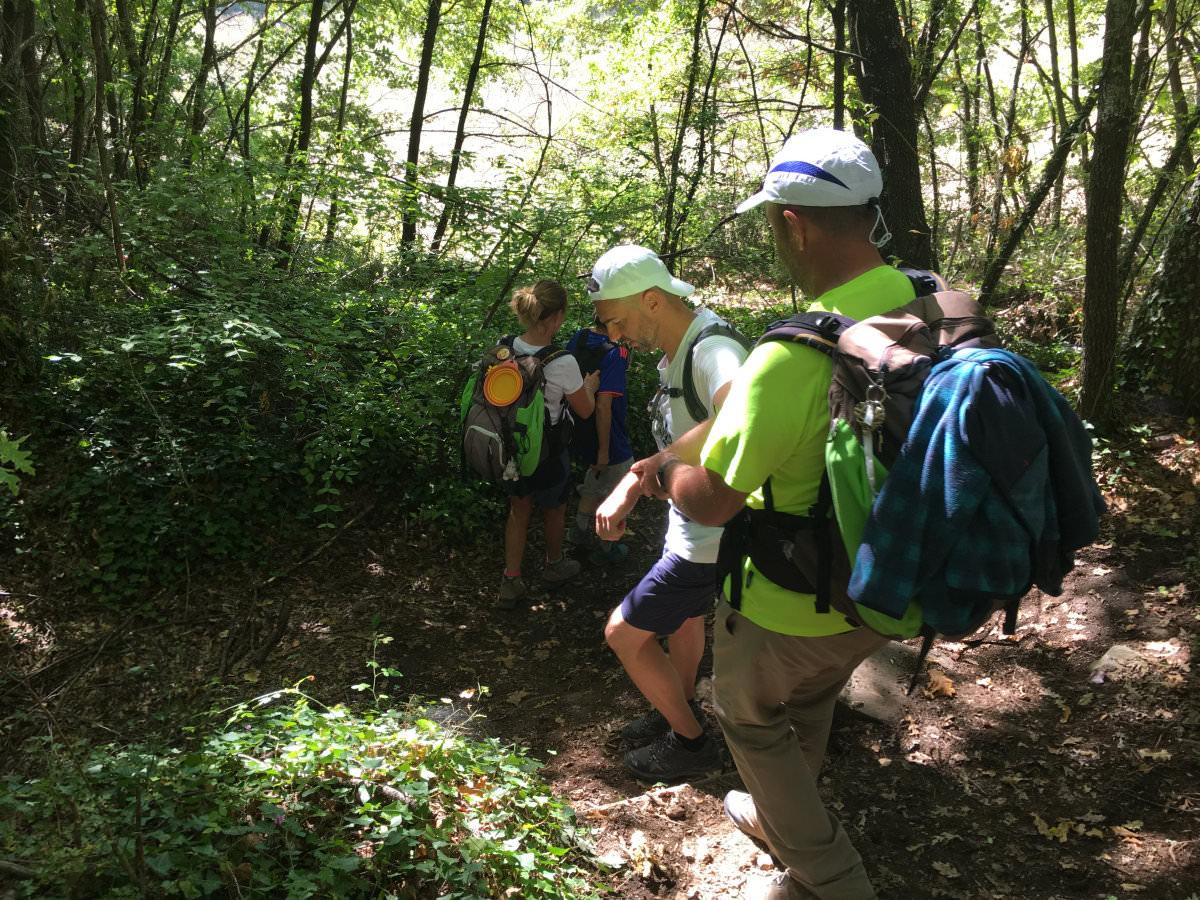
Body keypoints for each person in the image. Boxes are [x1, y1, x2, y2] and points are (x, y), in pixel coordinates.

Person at [626, 129, 908, 899]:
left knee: (747, 717)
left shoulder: (790, 358)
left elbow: (715, 497)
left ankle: (832, 877)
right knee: (811, 696)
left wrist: (668, 473)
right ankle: (784, 813)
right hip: (892, 578)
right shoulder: (932, 304)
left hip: (792, 599)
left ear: (795, 223)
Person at [590, 245, 747, 781]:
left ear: (652, 300)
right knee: (681, 624)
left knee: (623, 634)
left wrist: (642, 474)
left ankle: (691, 742)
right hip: (692, 527)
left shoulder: (713, 349)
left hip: (711, 539)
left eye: (616, 321)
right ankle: (675, 710)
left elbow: (741, 412)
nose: (614, 336)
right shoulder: (677, 354)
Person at [498, 280, 599, 610]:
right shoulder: (562, 361)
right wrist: (589, 385)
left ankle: (511, 579)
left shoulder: (503, 347)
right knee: (554, 508)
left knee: (518, 509)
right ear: (556, 318)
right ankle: (553, 565)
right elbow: (585, 411)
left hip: (510, 448)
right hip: (548, 452)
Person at [565, 318, 634, 565]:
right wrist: (604, 451)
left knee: (593, 482)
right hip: (610, 438)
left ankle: (579, 534)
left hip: (580, 433)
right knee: (619, 489)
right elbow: (605, 406)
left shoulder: (579, 338)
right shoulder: (616, 353)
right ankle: (608, 546)